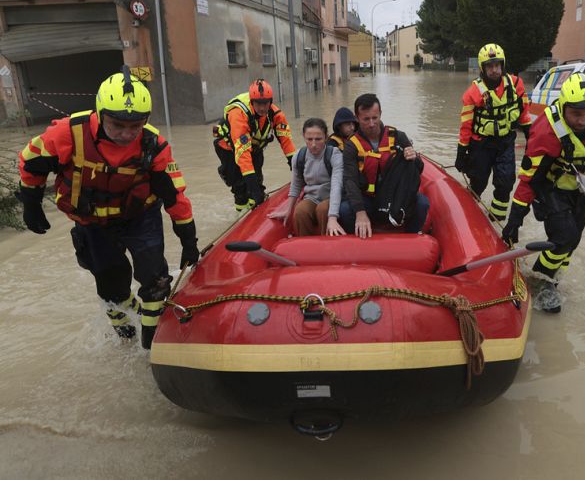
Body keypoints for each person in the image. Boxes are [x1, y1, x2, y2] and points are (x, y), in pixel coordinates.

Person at [16, 67, 199, 349]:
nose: (127, 134)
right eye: (117, 125)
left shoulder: (154, 145)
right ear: (100, 114)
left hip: (140, 217)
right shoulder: (68, 134)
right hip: (92, 222)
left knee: (155, 278)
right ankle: (124, 331)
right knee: (111, 284)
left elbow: (174, 195)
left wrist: (188, 238)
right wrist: (31, 202)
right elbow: (31, 161)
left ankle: (152, 345)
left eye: (135, 126)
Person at [501, 73, 585, 314]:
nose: (583, 120)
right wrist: (515, 220)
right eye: (576, 114)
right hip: (549, 188)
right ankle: (541, 280)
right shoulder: (546, 131)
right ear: (564, 106)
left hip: (581, 190)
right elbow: (528, 179)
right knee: (565, 236)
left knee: (573, 240)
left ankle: (553, 279)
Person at [455, 43, 532, 221]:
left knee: (506, 183)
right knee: (478, 181)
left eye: (497, 65)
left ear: (502, 65)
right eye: (490, 66)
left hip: (505, 143)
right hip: (481, 144)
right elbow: (466, 125)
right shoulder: (473, 93)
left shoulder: (516, 85)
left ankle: (496, 220)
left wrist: (530, 139)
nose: (494, 70)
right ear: (482, 68)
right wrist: (462, 151)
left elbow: (524, 113)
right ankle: (469, 213)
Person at [339, 93, 430, 238]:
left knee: (422, 203)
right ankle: (359, 243)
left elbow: (417, 170)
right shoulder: (352, 145)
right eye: (366, 119)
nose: (371, 124)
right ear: (357, 118)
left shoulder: (398, 137)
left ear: (380, 114)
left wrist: (415, 159)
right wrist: (360, 212)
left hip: (395, 197)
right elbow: (350, 180)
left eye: (375, 118)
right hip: (369, 199)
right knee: (345, 210)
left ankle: (410, 239)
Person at [213, 79, 296, 211]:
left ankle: (255, 206)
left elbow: (286, 141)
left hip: (255, 148)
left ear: (271, 102)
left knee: (258, 183)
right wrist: (252, 187)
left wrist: (295, 165)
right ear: (252, 102)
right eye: (258, 104)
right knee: (240, 187)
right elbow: (243, 154)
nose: (262, 108)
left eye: (266, 103)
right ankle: (240, 213)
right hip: (228, 148)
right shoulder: (239, 115)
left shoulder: (275, 114)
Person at [269, 117, 346, 236]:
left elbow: (336, 186)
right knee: (300, 211)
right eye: (309, 139)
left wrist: (332, 217)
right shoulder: (299, 157)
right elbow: (296, 185)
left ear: (326, 137)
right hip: (311, 197)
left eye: (318, 139)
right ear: (304, 138)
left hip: (330, 197)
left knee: (323, 210)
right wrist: (288, 210)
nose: (313, 144)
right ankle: (305, 244)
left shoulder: (334, 155)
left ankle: (327, 242)